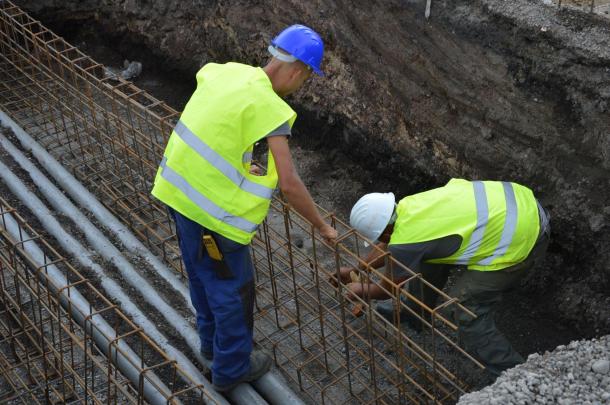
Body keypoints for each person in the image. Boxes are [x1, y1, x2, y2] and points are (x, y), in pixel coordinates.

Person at [151, 24, 338, 392]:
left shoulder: (228, 72)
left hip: (176, 195)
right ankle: (231, 369)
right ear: (298, 70)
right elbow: (290, 184)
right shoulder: (272, 108)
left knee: (201, 277)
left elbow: (222, 123)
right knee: (233, 292)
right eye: (305, 78)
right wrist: (322, 227)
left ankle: (210, 345)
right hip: (213, 219)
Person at [340, 178, 550, 377]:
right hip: (521, 203)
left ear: (383, 231)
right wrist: (358, 268)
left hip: (523, 238)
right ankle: (414, 314)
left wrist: (361, 290)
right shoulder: (408, 206)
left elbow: (385, 289)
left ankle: (510, 371)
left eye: (378, 237)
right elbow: (392, 246)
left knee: (463, 307)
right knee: (428, 257)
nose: (380, 241)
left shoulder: (405, 241)